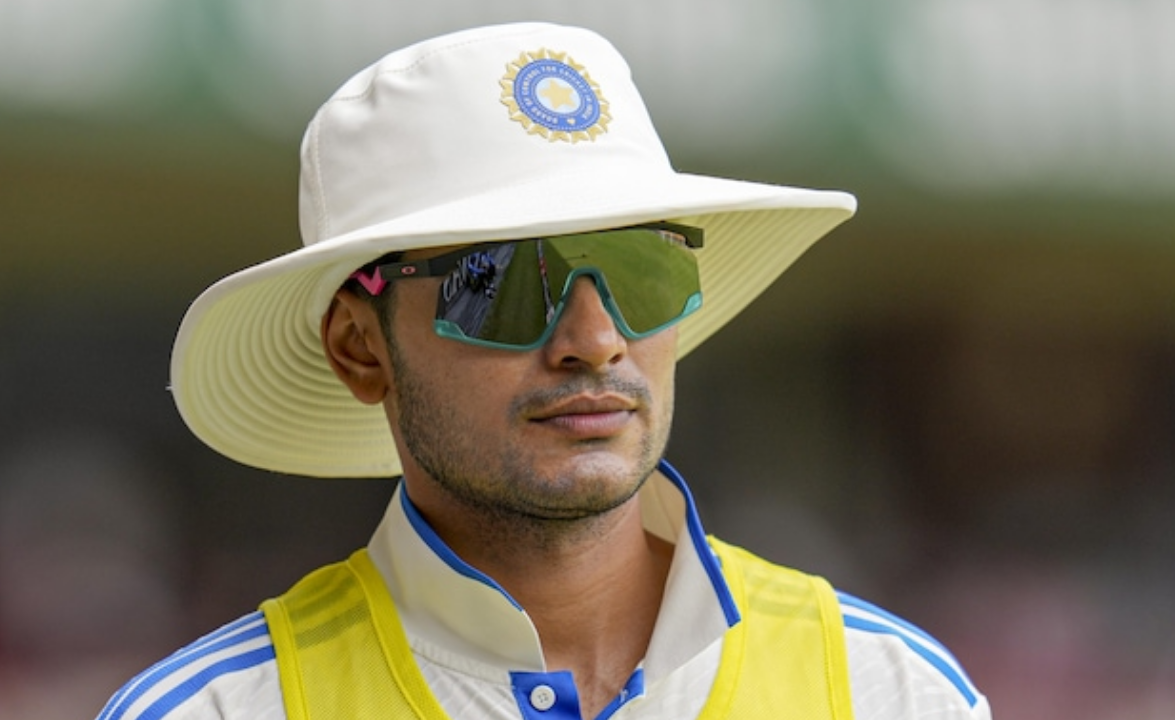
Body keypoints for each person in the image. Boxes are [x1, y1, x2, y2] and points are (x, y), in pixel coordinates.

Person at [98, 22, 991, 720]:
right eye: (502, 284)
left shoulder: (898, 694)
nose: (595, 340)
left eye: (643, 270)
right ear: (359, 349)